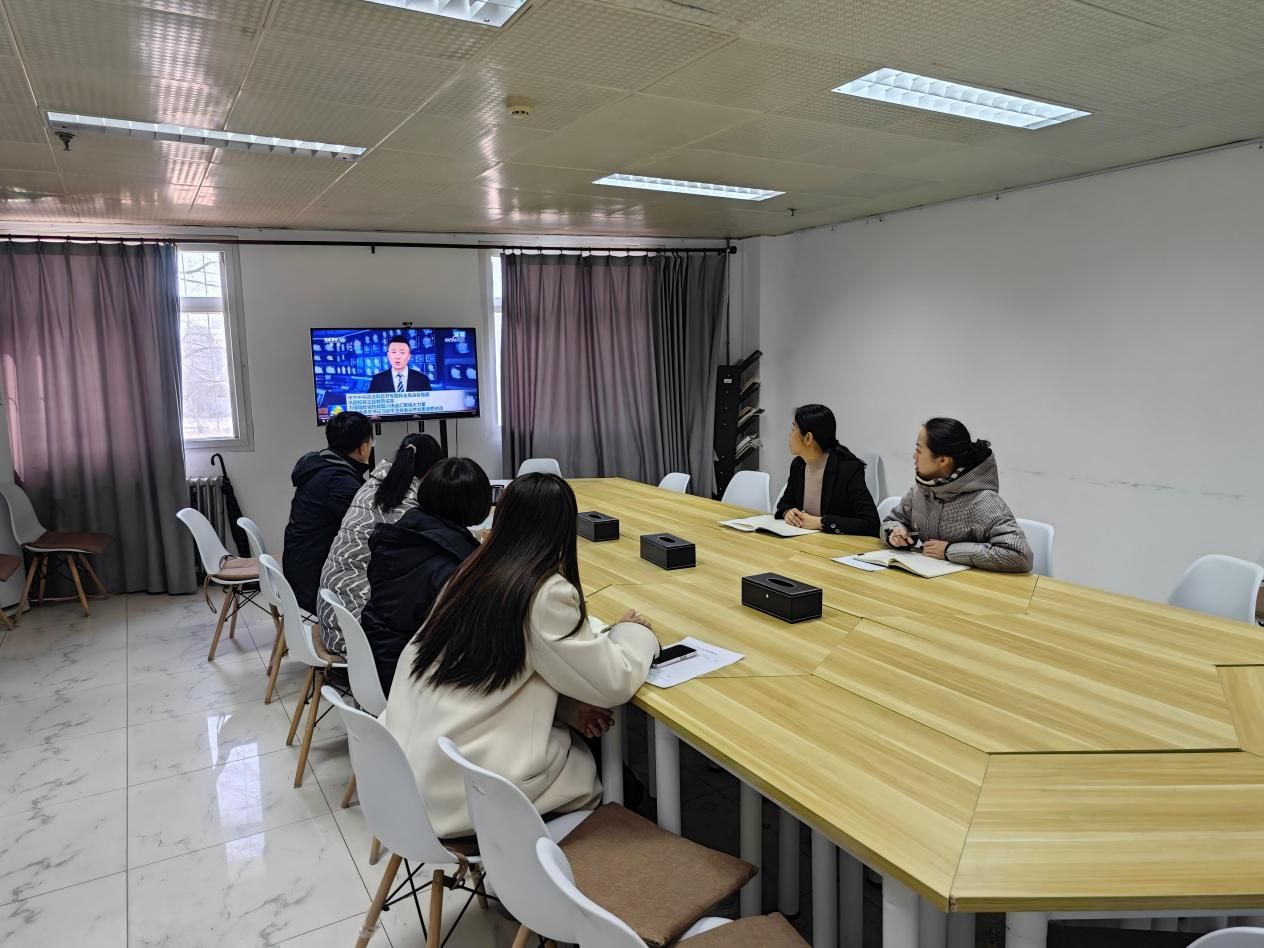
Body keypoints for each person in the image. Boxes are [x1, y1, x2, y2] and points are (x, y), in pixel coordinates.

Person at [381, 473, 659, 839]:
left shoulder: (469, 572)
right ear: (564, 529)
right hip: (469, 793)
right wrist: (636, 633)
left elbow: (495, 667)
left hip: (410, 771)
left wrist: (566, 707)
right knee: (617, 779)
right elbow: (613, 682)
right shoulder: (542, 592)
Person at [360, 457, 491, 694]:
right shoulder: (455, 567)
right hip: (414, 681)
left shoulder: (397, 533)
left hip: (376, 659)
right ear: (478, 505)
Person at [315, 433, 446, 653]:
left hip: (332, 615)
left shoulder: (371, 486)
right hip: (357, 634)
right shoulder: (410, 507)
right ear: (433, 471)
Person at [881, 417, 1033, 573]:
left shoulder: (985, 502)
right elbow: (892, 521)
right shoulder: (920, 490)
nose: (914, 456)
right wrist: (895, 533)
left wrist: (950, 551)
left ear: (942, 460)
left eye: (919, 450)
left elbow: (1019, 555)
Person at [282, 411, 373, 615]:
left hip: (301, 567)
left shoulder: (322, 465)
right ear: (364, 448)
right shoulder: (338, 481)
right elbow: (369, 526)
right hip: (314, 581)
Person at [775, 404, 879, 536]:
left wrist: (822, 522)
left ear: (808, 438)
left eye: (793, 429)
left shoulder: (848, 470)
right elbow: (784, 503)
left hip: (838, 544)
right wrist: (788, 512)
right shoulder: (798, 465)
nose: (790, 435)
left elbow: (871, 524)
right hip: (805, 540)